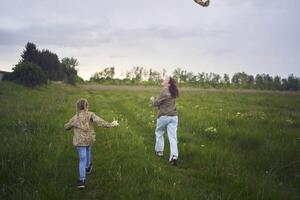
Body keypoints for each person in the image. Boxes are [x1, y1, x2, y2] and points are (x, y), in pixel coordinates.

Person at [64, 98, 119, 189]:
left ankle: (82, 180)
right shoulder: (91, 115)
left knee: (82, 158)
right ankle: (88, 166)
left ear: (78, 107)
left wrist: (70, 125)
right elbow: (100, 122)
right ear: (86, 106)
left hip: (80, 141)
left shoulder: (75, 118)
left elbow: (66, 127)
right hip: (88, 139)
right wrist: (111, 124)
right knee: (88, 150)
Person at [150, 77, 179, 166]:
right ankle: (173, 156)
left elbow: (156, 103)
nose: (163, 80)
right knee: (173, 137)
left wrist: (152, 99)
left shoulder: (164, 91)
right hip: (174, 117)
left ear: (168, 84)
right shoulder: (173, 92)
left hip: (164, 116)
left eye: (165, 80)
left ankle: (159, 152)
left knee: (159, 132)